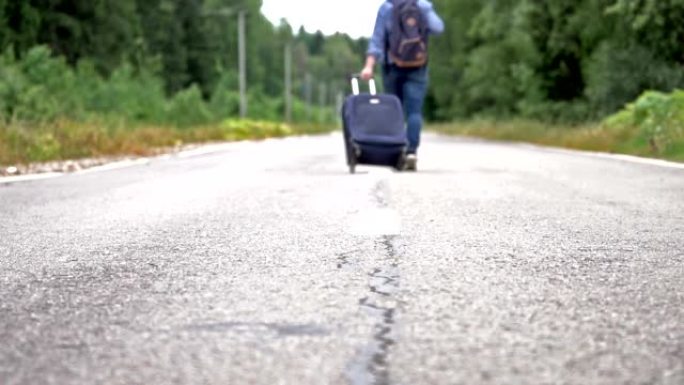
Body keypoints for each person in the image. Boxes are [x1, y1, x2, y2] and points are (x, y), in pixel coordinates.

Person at [361, 0, 444, 171]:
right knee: (414, 112)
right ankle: (411, 152)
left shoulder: (387, 7)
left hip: (392, 66)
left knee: (394, 110)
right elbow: (438, 28)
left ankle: (397, 150)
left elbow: (377, 40)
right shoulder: (422, 5)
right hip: (418, 65)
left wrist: (369, 66)